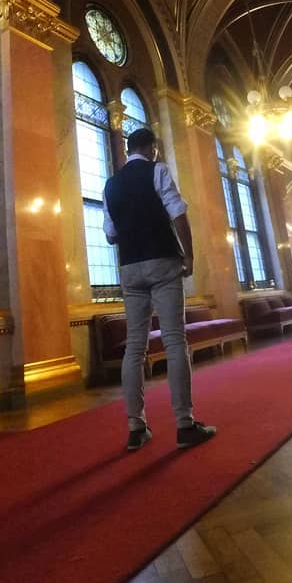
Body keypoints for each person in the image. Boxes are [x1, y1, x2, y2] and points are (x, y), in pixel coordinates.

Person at [103, 127, 217, 452]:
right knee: (174, 340)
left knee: (135, 347)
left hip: (129, 268)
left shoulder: (111, 184)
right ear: (151, 147)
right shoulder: (158, 170)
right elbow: (177, 211)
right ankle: (184, 424)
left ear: (128, 149)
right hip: (162, 261)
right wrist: (189, 253)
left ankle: (136, 427)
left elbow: (110, 235)